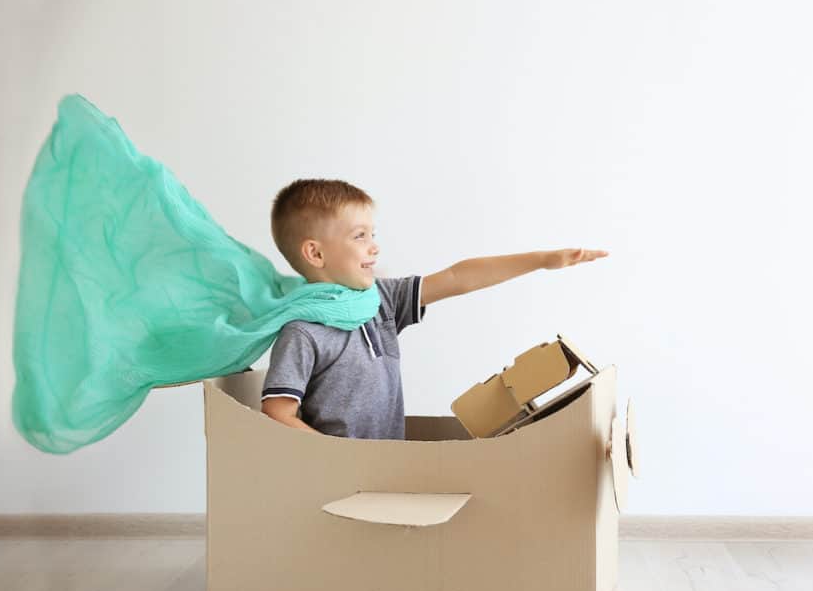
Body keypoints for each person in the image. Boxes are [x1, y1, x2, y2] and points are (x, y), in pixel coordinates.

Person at [260, 179, 608, 439]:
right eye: (360, 236)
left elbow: (458, 277)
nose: (374, 247)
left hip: (385, 466)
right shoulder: (302, 332)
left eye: (372, 234)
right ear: (316, 254)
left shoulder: (380, 301)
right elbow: (277, 413)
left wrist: (543, 260)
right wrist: (337, 461)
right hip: (336, 477)